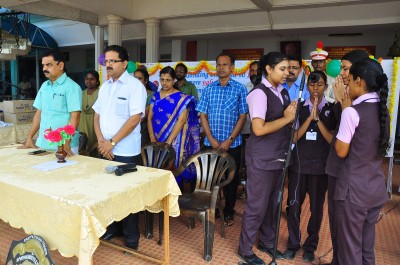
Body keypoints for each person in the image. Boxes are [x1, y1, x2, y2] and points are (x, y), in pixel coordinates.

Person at [238, 52, 297, 265]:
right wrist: (286, 118)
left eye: (289, 69)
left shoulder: (284, 92)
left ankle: (266, 241)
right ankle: (244, 250)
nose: (287, 73)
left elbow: (285, 122)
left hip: (280, 158)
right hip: (262, 159)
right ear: (269, 69)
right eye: (282, 69)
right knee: (257, 206)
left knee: (274, 204)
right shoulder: (258, 94)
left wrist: (292, 121)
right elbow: (259, 129)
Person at [334, 58, 389, 265]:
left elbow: (341, 151)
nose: (346, 85)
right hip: (374, 188)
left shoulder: (351, 112)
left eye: (348, 81)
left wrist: (343, 105)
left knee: (350, 250)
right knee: (366, 248)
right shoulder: (384, 112)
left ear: (358, 81)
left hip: (353, 192)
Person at [92, 45, 147, 251]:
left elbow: (134, 119)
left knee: (127, 195)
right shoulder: (105, 86)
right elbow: (97, 115)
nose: (108, 64)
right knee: (108, 193)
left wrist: (112, 142)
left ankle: (132, 238)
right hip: (105, 150)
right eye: (106, 61)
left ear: (125, 64)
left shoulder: (134, 86)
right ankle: (114, 228)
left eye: (113, 61)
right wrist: (101, 141)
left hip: (125, 152)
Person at [283, 70, 337, 262]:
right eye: (312, 85)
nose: (315, 89)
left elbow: (333, 141)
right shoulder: (298, 107)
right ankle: (292, 243)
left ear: (326, 86)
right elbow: (294, 137)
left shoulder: (333, 108)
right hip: (298, 166)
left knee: (316, 209)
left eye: (320, 85)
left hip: (320, 168)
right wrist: (309, 117)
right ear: (307, 87)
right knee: (294, 206)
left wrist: (318, 119)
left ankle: (310, 245)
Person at [325, 49, 369, 265]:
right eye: (340, 68)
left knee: (348, 224)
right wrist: (337, 101)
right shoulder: (342, 94)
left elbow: (351, 138)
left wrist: (345, 105)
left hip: (351, 171)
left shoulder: (365, 103)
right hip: (335, 165)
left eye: (345, 68)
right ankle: (336, 259)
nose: (341, 73)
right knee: (334, 218)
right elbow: (334, 128)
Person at [196, 52, 248, 226]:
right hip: (211, 143)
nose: (221, 67)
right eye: (218, 64)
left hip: (232, 144)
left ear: (232, 68)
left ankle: (228, 212)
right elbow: (203, 115)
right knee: (210, 179)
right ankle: (213, 210)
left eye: (225, 64)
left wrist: (229, 140)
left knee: (230, 181)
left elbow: (242, 117)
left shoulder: (240, 89)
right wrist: (210, 138)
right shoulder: (209, 89)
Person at [19, 50, 82, 155]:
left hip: (63, 145)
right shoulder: (44, 86)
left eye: (49, 65)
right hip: (43, 143)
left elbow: (75, 117)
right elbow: (39, 114)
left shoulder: (72, 87)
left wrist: (67, 141)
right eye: (43, 65)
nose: (44, 69)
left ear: (61, 65)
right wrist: (29, 138)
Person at [148, 66, 200, 187]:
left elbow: (181, 121)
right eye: (162, 79)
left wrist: (169, 141)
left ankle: (173, 200)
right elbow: (150, 117)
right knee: (156, 168)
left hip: (174, 140)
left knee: (173, 169)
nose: (164, 83)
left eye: (168, 80)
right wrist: (151, 137)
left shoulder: (181, 98)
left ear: (174, 80)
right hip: (156, 137)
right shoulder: (155, 96)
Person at [78, 70, 100, 153]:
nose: (88, 81)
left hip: (95, 122)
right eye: (87, 79)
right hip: (82, 122)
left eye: (92, 79)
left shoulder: (101, 93)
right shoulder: (81, 93)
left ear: (97, 81)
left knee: (95, 149)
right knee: (82, 146)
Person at [134, 68, 154, 147]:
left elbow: (144, 115)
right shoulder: (130, 93)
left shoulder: (152, 95)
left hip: (143, 129)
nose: (137, 81)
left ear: (146, 81)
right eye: (135, 78)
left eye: (140, 78)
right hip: (129, 128)